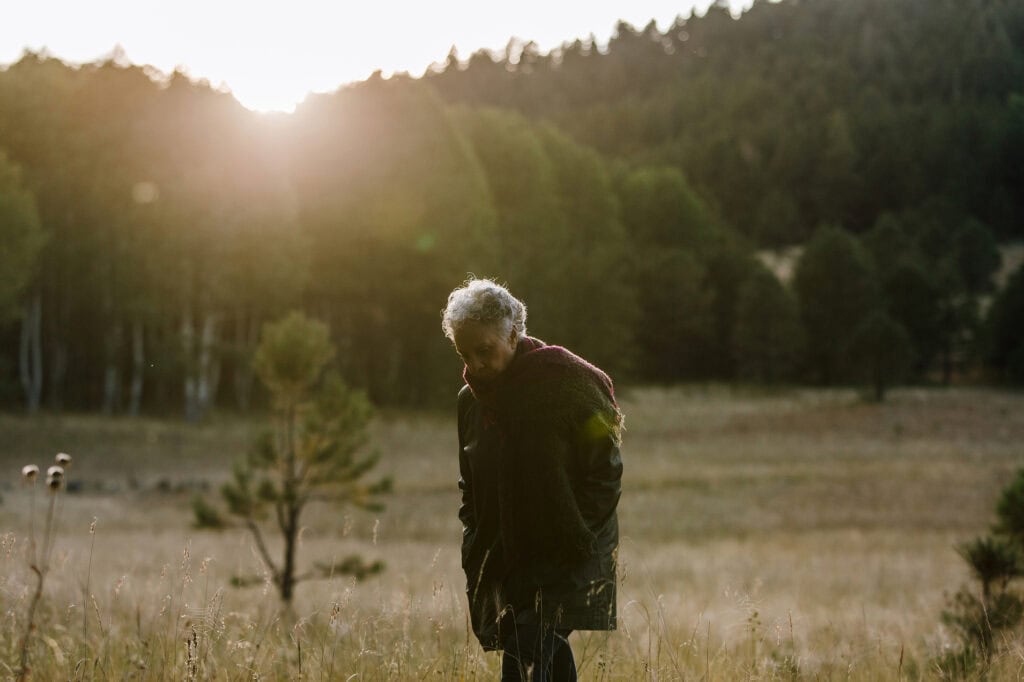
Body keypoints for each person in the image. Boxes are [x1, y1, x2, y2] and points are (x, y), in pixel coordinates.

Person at [441, 278, 623, 681]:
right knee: (544, 656)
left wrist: (578, 536)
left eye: (484, 350)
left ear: (511, 332)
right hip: (507, 554)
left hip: (570, 550)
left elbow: (605, 472)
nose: (474, 364)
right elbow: (469, 481)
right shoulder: (470, 402)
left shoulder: (571, 385)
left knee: (523, 656)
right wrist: (475, 536)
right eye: (464, 353)